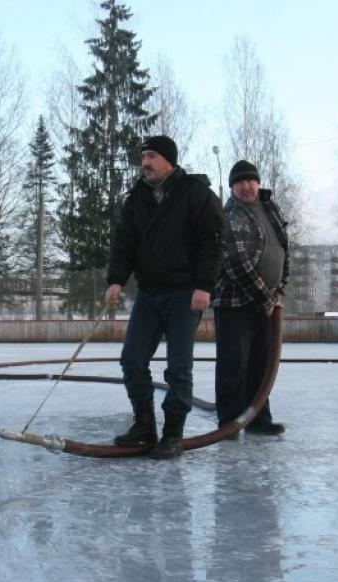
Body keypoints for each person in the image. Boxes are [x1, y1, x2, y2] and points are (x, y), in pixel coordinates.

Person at [106, 134, 224, 458]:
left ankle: (172, 433)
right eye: (143, 156)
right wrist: (116, 279)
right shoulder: (138, 197)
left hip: (185, 294)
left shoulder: (195, 193)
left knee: (178, 367)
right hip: (149, 293)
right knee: (131, 359)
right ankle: (144, 427)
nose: (145, 163)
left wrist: (204, 285)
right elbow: (124, 241)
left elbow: (213, 242)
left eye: (152, 156)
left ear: (169, 160)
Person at [212, 160, 289, 436]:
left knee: (261, 362)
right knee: (234, 363)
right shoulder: (231, 214)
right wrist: (265, 298)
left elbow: (283, 248)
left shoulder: (269, 209)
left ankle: (258, 418)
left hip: (266, 302)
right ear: (233, 187)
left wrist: (279, 287)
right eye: (240, 182)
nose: (246, 186)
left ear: (258, 182)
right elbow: (235, 263)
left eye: (250, 181)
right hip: (236, 303)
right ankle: (230, 422)